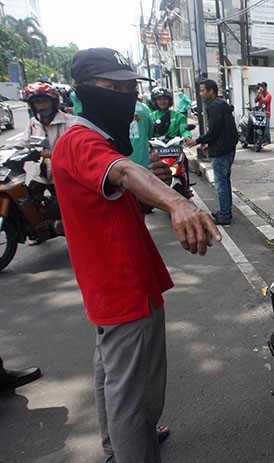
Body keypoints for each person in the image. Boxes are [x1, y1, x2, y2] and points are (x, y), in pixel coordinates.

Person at [51, 47, 221, 463]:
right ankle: (132, 450)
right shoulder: (80, 140)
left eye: (130, 87)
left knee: (112, 375)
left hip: (109, 282)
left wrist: (156, 191)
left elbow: (120, 190)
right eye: (114, 87)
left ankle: (118, 446)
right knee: (135, 392)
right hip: (123, 284)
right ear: (87, 90)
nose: (126, 96)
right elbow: (125, 172)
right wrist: (179, 205)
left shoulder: (93, 140)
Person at [185, 79, 238, 225]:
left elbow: (213, 131)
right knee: (225, 182)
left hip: (221, 152)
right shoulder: (222, 104)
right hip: (228, 149)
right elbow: (222, 130)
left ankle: (225, 214)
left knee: (221, 183)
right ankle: (225, 210)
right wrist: (209, 144)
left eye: (203, 91)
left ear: (211, 91)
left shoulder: (214, 106)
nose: (201, 94)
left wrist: (197, 141)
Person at [19, 82, 72, 199]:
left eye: (44, 101)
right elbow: (22, 144)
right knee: (27, 202)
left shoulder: (69, 122)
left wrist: (54, 153)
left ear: (53, 103)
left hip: (62, 174)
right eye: (37, 102)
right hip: (40, 173)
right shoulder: (33, 122)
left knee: (65, 206)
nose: (41, 105)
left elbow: (75, 149)